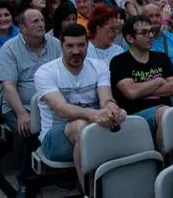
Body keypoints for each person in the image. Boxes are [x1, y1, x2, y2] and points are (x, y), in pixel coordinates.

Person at [34, 23, 126, 189]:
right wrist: (94, 114)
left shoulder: (99, 66)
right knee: (79, 126)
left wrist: (111, 107)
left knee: (123, 116)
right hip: (54, 140)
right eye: (70, 46)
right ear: (61, 46)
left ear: (88, 45)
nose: (76, 51)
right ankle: (89, 193)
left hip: (94, 128)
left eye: (81, 45)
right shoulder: (45, 72)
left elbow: (105, 97)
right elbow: (62, 110)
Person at [0, 8, 61, 195]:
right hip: (20, 106)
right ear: (22, 27)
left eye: (42, 20)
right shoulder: (9, 49)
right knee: (25, 130)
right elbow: (8, 86)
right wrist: (21, 113)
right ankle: (25, 180)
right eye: (34, 21)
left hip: (52, 103)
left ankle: (64, 171)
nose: (41, 24)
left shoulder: (55, 44)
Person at [110, 15, 173, 147]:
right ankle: (164, 162)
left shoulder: (161, 58)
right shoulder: (119, 62)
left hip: (163, 112)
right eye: (144, 32)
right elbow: (130, 92)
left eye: (151, 31)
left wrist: (142, 89)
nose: (150, 36)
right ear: (130, 38)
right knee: (165, 113)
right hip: (136, 116)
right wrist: (158, 81)